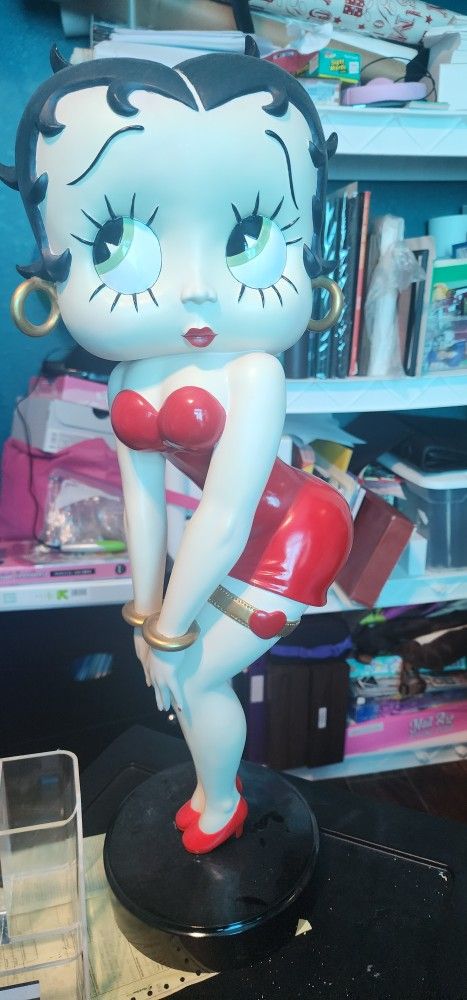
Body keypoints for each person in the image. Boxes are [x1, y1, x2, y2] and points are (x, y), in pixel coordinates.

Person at [2, 44, 352, 853]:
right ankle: (210, 792)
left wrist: (167, 630)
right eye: (117, 240)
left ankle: (220, 801)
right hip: (225, 541)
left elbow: (226, 513)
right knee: (183, 673)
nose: (196, 286)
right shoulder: (132, 371)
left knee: (192, 673)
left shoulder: (255, 371)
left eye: (250, 236)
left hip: (295, 534)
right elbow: (143, 503)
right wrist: (144, 612)